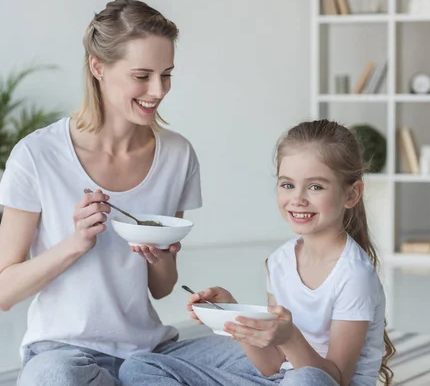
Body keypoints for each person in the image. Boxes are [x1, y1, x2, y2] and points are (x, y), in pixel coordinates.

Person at [0, 0, 202, 386]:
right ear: (97, 66)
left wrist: (159, 257)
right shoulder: (37, 155)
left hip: (147, 353)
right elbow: (3, 291)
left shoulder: (177, 154)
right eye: (142, 75)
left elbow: (162, 287)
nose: (158, 90)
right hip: (61, 353)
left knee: (268, 359)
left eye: (166, 74)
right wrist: (76, 243)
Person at [119, 119, 395, 386]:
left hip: (316, 379)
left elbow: (335, 379)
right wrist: (233, 315)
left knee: (305, 379)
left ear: (351, 194)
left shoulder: (353, 275)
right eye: (288, 184)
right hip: (281, 376)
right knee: (140, 366)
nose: (297, 199)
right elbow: (271, 366)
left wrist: (290, 339)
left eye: (315, 186)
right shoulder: (280, 261)